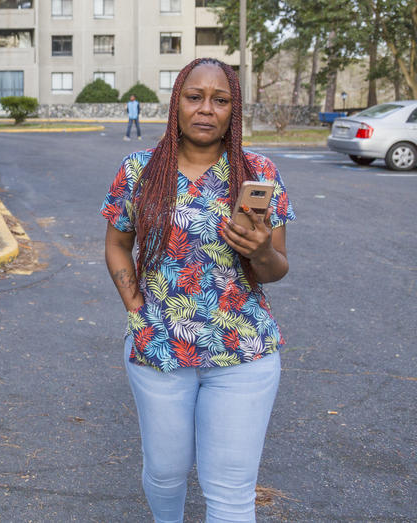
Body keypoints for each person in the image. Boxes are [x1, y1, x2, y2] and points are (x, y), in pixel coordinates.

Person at [100, 58, 295, 522]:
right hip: (160, 351)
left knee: (229, 495)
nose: (206, 109)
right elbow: (116, 245)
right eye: (195, 97)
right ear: (177, 104)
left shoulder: (257, 172)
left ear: (234, 109)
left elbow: (275, 269)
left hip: (243, 353)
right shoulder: (138, 170)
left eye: (220, 99)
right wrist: (135, 309)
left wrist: (261, 249)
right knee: (165, 476)